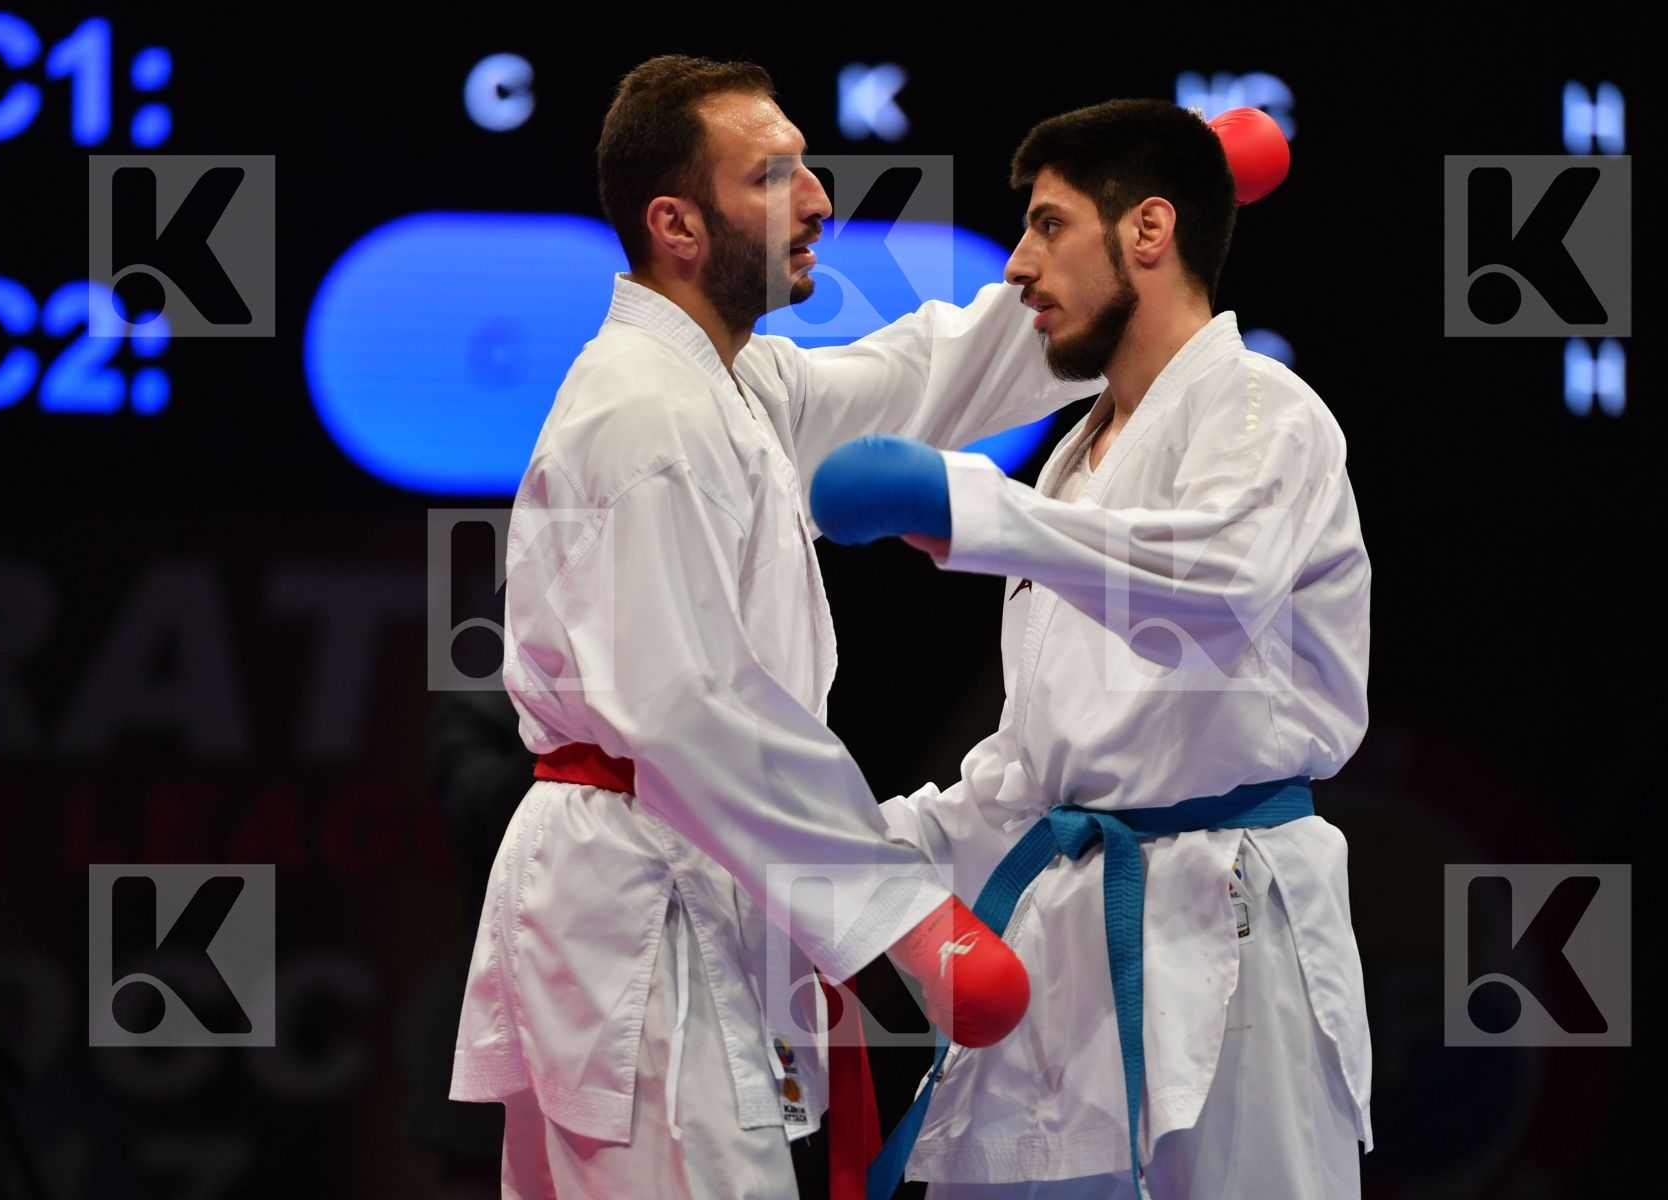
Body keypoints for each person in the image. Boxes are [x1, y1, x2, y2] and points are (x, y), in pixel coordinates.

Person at [447, 55, 1100, 1200]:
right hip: (640, 913)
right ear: (677, 224)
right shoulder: (645, 413)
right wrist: (910, 923)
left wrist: (1107, 269)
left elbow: (925, 379)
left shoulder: (733, 387)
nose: (817, 203)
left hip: (666, 890)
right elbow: (692, 708)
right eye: (774, 177)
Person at [810, 100, 1372, 1198]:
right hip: (1059, 940)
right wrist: (833, 861)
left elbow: (1216, 586)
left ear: (1148, 233)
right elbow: (1033, 770)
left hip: (1229, 927)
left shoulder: (1268, 412)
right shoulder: (1073, 462)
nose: (1018, 266)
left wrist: (970, 509)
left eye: (1048, 225)